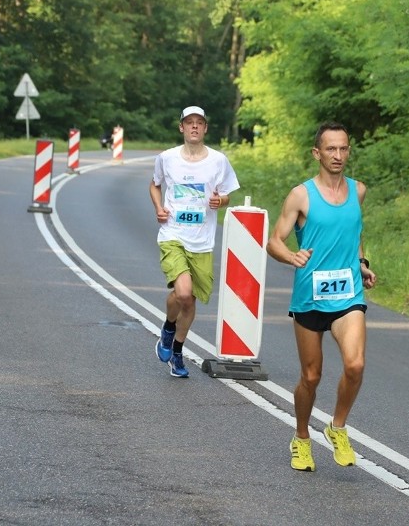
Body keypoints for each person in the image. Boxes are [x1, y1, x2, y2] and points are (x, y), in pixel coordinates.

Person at [266, 121, 376, 472]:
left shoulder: (358, 191)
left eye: (343, 148)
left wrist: (361, 262)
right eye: (331, 149)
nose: (338, 155)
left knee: (355, 365)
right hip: (310, 297)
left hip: (348, 294)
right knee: (311, 377)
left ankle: (337, 427)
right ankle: (301, 437)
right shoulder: (301, 195)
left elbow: (354, 232)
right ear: (317, 153)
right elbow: (275, 240)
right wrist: (291, 256)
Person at [149, 106, 240, 378]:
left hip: (202, 241)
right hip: (173, 235)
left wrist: (220, 201)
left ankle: (175, 346)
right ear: (181, 128)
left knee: (188, 301)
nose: (194, 127)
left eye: (199, 123)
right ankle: (169, 332)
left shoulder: (218, 160)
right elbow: (155, 184)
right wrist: (158, 207)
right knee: (184, 293)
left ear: (205, 128)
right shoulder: (167, 158)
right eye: (189, 123)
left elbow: (227, 196)